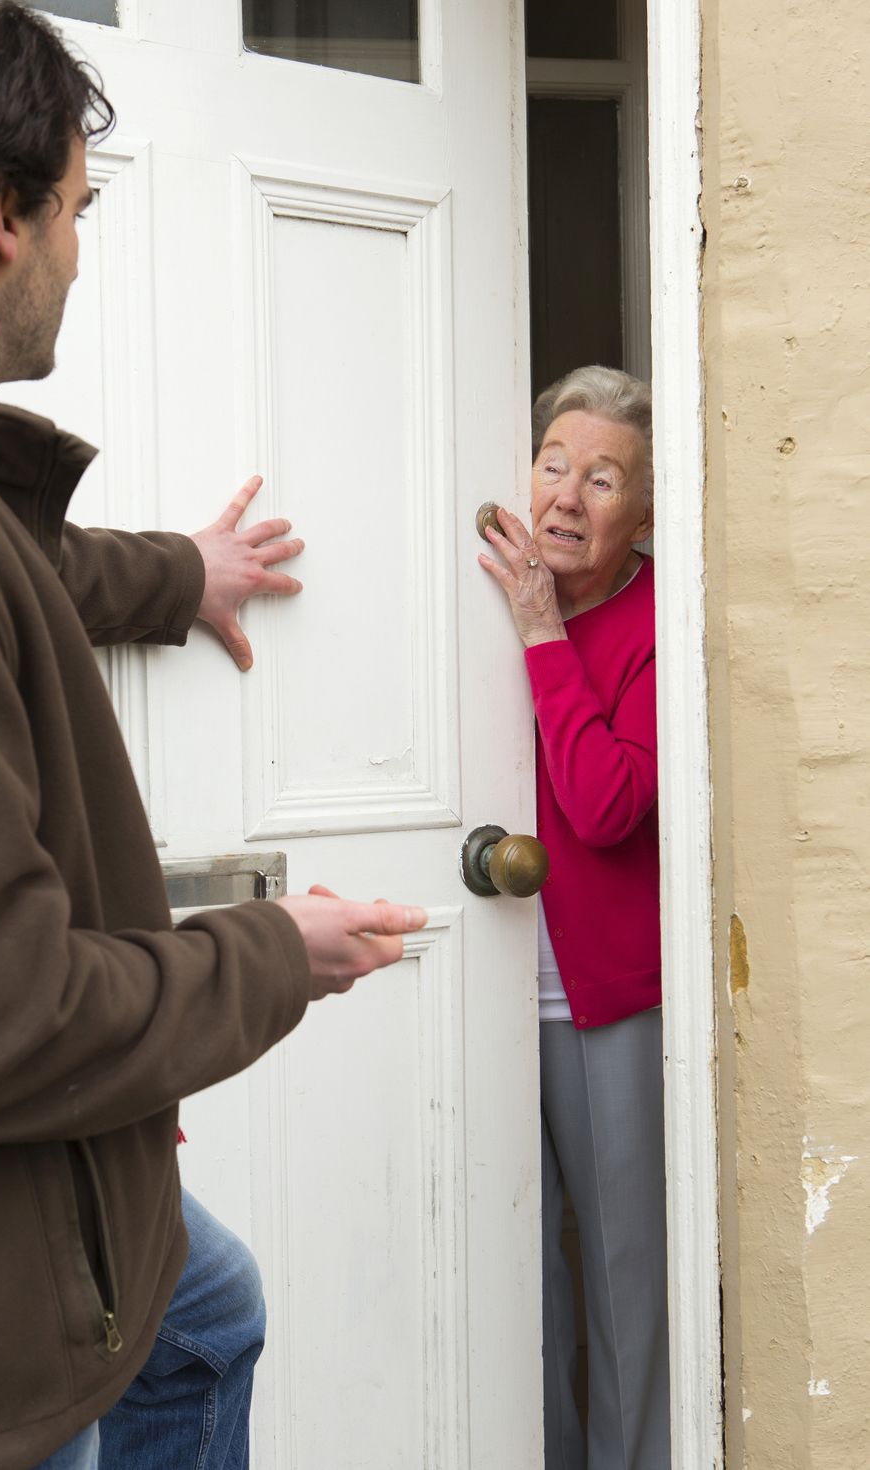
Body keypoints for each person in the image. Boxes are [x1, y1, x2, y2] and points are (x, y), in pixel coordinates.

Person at [0, 4, 426, 1468]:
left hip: (46, 1211)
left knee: (205, 1304)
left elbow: (22, 572)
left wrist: (185, 574)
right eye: (79, 206)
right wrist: (279, 956)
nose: (80, 246)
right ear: (4, 217)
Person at [478, 365, 668, 1470]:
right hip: (490, 974)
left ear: (638, 515)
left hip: (601, 1000)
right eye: (553, 463)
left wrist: (542, 632)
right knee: (519, 1280)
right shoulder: (491, 589)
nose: (564, 496)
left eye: (601, 480)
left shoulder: (645, 622)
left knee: (621, 1276)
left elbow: (602, 805)